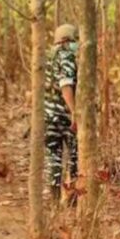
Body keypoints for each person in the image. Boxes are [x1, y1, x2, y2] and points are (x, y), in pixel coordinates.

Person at [44, 23, 79, 201]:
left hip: (47, 115)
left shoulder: (48, 57)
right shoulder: (67, 56)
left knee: (54, 158)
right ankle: (72, 198)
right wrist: (74, 112)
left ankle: (55, 200)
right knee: (74, 156)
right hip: (64, 115)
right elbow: (66, 85)